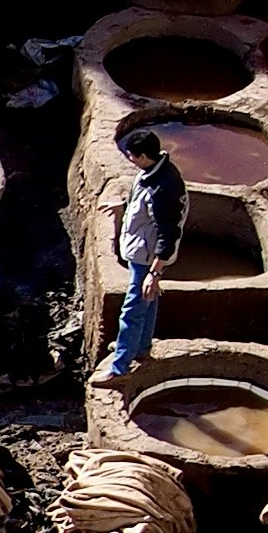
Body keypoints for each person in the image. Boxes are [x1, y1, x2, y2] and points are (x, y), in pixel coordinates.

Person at [97, 127, 188, 383]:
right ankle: (141, 347)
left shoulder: (162, 189)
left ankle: (119, 368)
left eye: (132, 155)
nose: (129, 159)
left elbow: (167, 233)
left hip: (147, 257)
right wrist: (123, 206)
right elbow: (143, 204)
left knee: (132, 310)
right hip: (142, 250)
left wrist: (154, 272)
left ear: (144, 156)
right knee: (148, 301)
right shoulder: (153, 171)